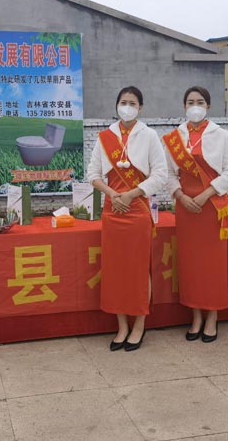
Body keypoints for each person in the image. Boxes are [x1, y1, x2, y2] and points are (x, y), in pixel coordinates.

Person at [88, 86, 167, 351]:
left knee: (138, 269)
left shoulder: (150, 135)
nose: (127, 107)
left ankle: (139, 325)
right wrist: (113, 194)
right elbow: (93, 174)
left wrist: (131, 194)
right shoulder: (105, 137)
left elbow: (160, 175)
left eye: (133, 103)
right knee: (115, 270)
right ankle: (121, 326)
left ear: (140, 107)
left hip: (137, 209)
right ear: (117, 105)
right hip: (113, 209)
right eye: (123, 102)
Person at [163, 86, 228, 343]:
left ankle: (212, 316)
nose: (195, 106)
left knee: (212, 265)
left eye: (200, 102)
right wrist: (180, 196)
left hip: (213, 206)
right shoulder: (174, 137)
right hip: (186, 208)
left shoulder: (222, 135)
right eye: (190, 102)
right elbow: (169, 174)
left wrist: (206, 194)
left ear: (208, 106)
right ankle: (196, 315)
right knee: (190, 264)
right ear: (184, 106)